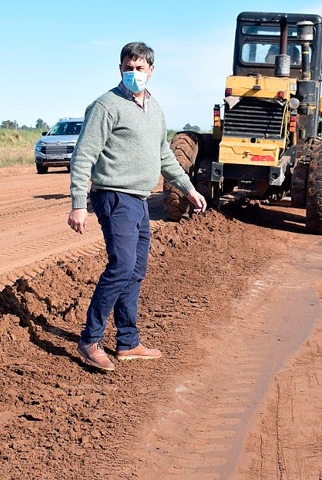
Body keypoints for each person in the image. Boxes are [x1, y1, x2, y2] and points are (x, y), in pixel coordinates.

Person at [67, 41, 207, 372]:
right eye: (128, 68)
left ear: (151, 71)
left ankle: (128, 342)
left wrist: (188, 188)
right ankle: (90, 340)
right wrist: (77, 204)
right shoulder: (105, 106)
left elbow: (164, 155)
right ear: (120, 69)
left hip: (140, 199)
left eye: (139, 68)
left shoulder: (155, 108)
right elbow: (83, 155)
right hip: (114, 196)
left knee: (135, 270)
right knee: (121, 266)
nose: (133, 73)